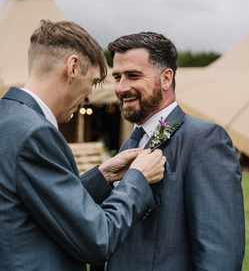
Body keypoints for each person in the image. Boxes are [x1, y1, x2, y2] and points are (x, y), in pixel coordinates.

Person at [0, 20, 166, 271]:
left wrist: (102, 175)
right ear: (74, 67)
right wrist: (137, 179)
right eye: (94, 81)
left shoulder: (9, 117)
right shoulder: (35, 133)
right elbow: (98, 239)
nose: (89, 95)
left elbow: (41, 203)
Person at [104, 32, 245, 270]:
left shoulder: (204, 140)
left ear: (166, 78)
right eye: (117, 77)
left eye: (133, 76)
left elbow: (220, 256)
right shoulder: (131, 143)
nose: (120, 88)